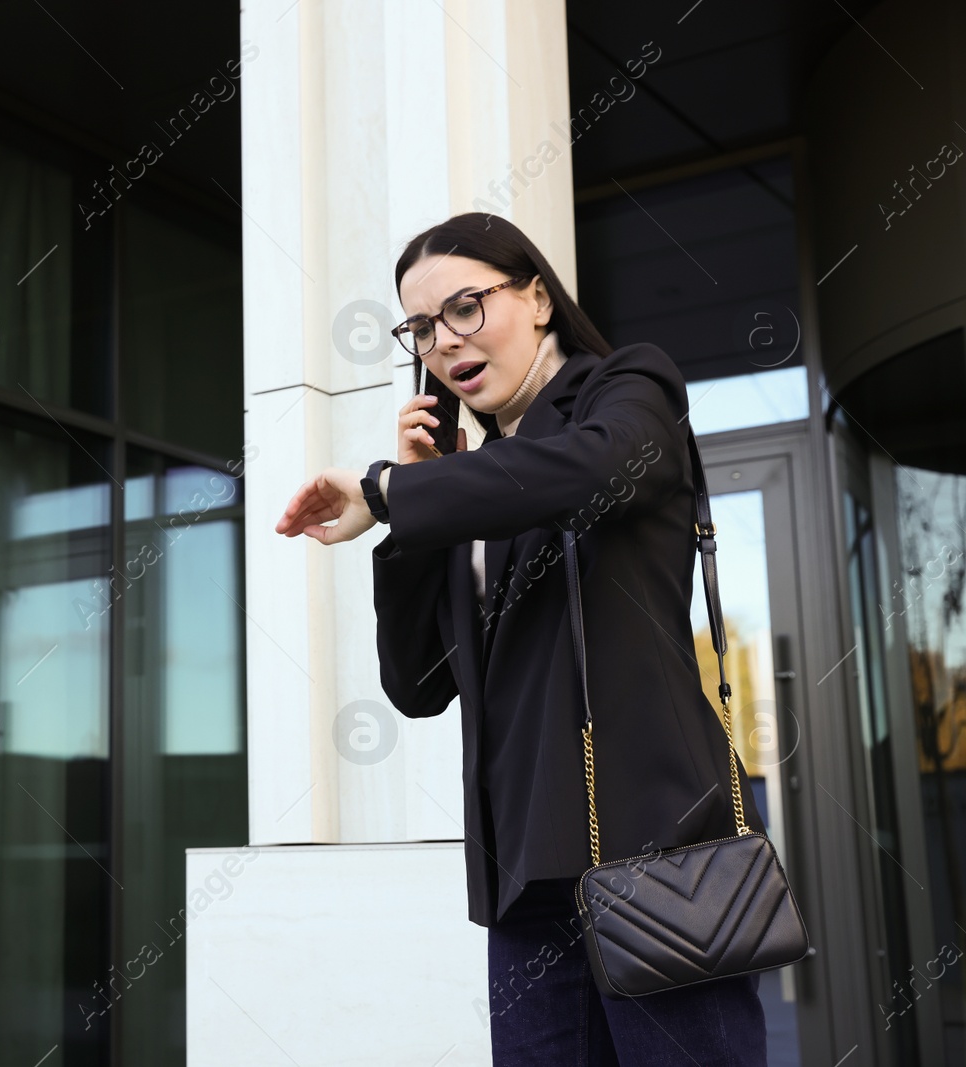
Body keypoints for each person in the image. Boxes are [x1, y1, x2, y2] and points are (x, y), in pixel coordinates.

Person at [273, 213, 771, 1064]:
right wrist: (414, 516)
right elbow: (420, 683)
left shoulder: (627, 391)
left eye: (465, 307)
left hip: (653, 846)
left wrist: (396, 491)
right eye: (421, 328)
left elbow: (590, 469)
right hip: (524, 879)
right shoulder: (461, 487)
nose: (443, 342)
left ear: (537, 297)